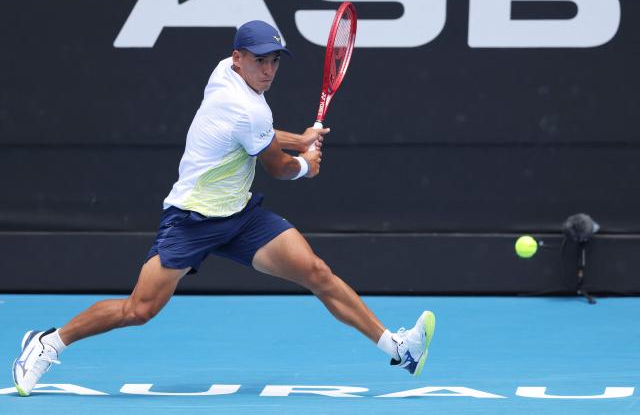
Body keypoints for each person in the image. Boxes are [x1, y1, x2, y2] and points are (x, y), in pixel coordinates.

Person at [12, 20, 435, 397]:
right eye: (259, 61)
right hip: (191, 220)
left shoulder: (225, 74)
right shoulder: (246, 109)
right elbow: (279, 167)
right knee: (138, 310)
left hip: (239, 216)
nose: (268, 71)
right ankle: (48, 342)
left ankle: (399, 348)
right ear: (239, 58)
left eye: (274, 62)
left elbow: (264, 135)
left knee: (317, 271)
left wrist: (301, 138)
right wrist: (307, 165)